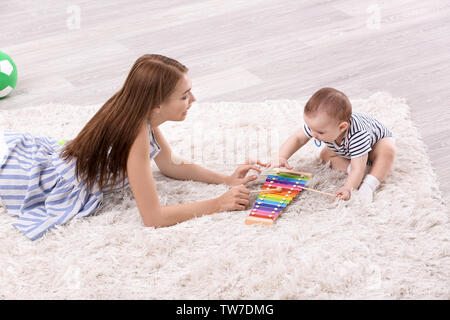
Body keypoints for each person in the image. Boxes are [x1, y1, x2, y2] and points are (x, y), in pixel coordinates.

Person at [0, 54, 262, 240]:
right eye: (184, 96)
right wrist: (217, 204)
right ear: (156, 104)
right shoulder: (135, 133)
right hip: (32, 179)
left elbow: (170, 164)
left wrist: (225, 179)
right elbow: (154, 217)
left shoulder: (142, 113)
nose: (193, 99)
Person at [269, 87, 395, 202]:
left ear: (342, 127)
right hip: (348, 150)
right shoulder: (317, 127)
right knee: (325, 155)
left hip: (375, 146)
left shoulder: (358, 135)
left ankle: (369, 183)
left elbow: (357, 168)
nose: (312, 134)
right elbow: (297, 138)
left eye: (319, 132)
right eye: (310, 128)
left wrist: (347, 188)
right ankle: (357, 171)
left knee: (387, 151)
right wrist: (282, 157)